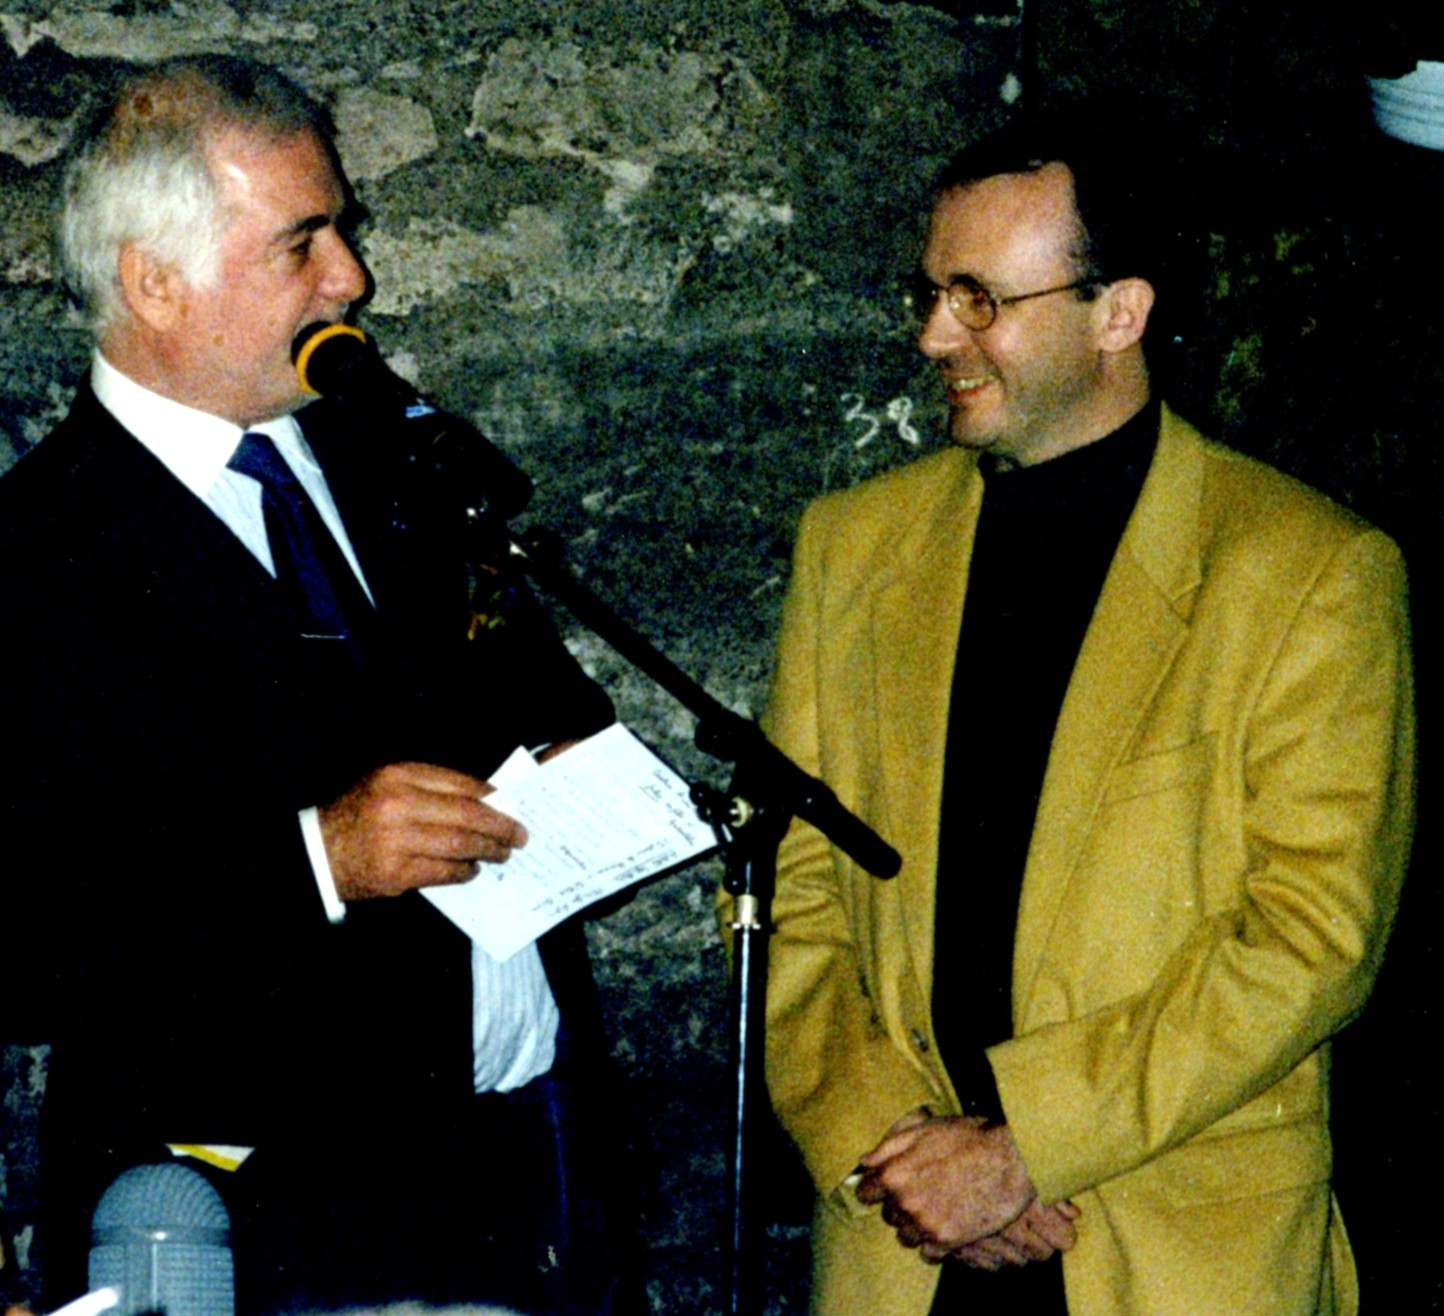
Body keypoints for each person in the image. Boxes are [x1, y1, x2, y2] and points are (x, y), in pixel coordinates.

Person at [0, 54, 632, 1316]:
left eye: (344, 229)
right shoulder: (34, 549)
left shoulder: (395, 458)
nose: (352, 278)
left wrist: (580, 770)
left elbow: (544, 702)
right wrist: (317, 857)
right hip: (239, 1231)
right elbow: (21, 937)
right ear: (154, 282)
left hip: (518, 1183)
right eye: (304, 242)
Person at [757, 115, 1415, 1315]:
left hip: (1171, 1245)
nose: (932, 336)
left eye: (977, 299)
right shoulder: (850, 547)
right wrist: (892, 1147)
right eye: (928, 293)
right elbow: (789, 885)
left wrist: (1026, 1147)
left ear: (1119, 313)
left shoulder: (1308, 569)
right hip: (905, 1242)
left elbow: (1312, 934)